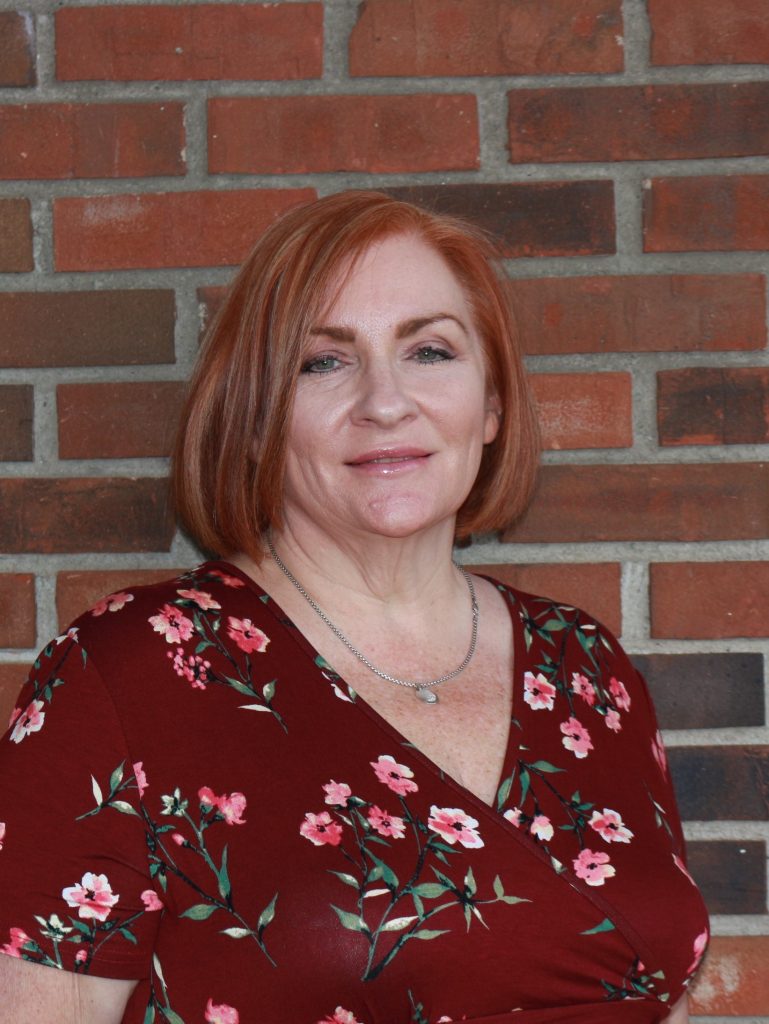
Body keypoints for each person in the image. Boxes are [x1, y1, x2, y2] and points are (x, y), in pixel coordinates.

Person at [0, 191, 708, 1023]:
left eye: (431, 352)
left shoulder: (584, 666)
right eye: (322, 362)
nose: (384, 402)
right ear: (258, 419)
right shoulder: (125, 675)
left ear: (490, 407)